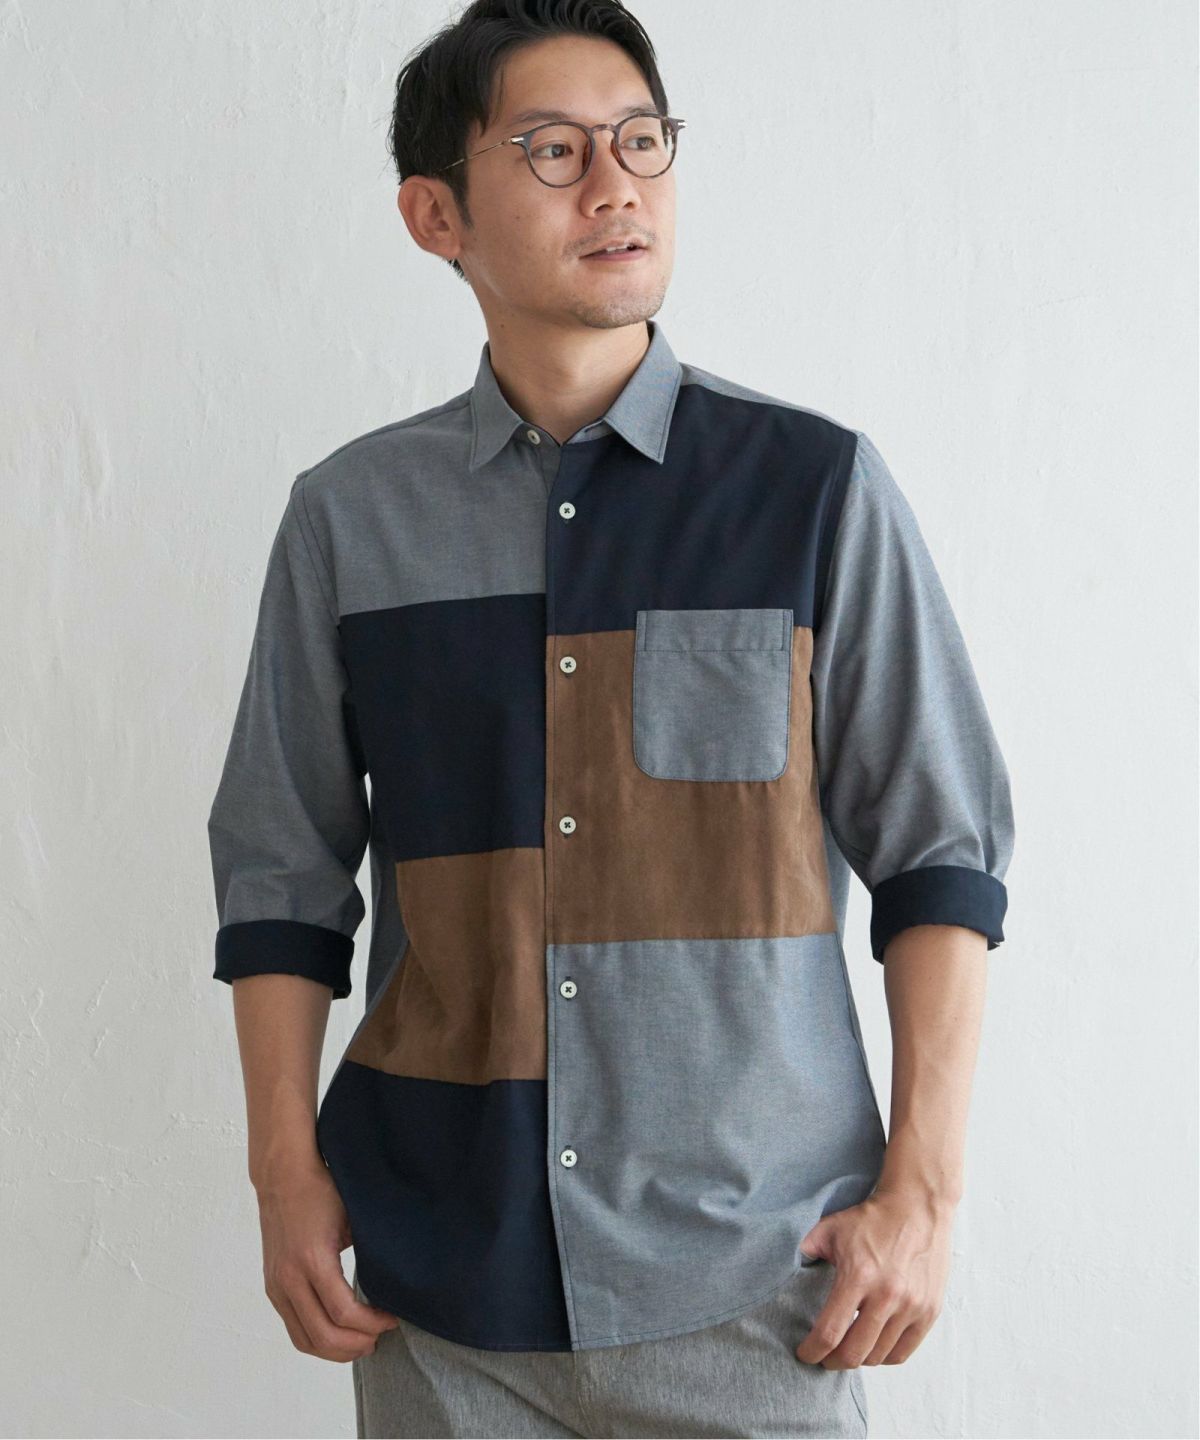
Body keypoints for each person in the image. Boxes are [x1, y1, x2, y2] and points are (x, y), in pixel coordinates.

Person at [205, 2, 1015, 1435]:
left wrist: (925, 1194)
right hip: (441, 1297)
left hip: (759, 1291)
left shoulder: (815, 490)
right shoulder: (348, 522)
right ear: (435, 215)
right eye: (553, 149)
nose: (615, 184)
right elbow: (280, 871)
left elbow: (942, 852)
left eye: (641, 140)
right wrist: (283, 1175)